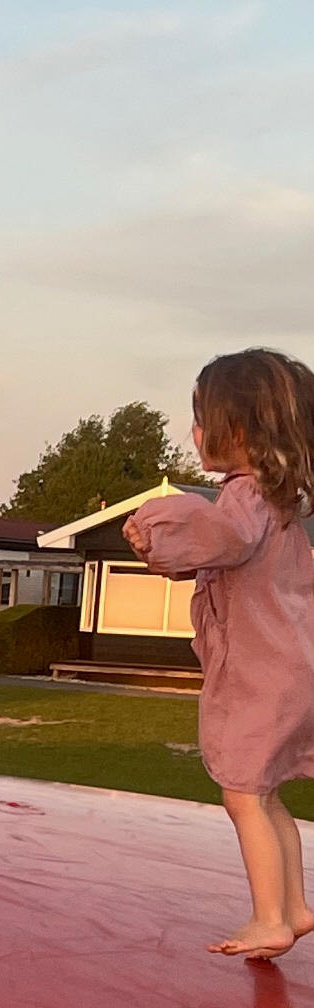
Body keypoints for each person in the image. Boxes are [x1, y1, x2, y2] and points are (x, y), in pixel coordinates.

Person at [124, 348, 314, 958]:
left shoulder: (244, 496)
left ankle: (269, 920)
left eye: (202, 420)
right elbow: (227, 558)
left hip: (261, 673)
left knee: (242, 793)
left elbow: (222, 536)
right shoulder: (284, 500)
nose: (195, 432)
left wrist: (155, 528)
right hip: (294, 669)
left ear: (238, 431)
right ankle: (294, 906)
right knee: (266, 791)